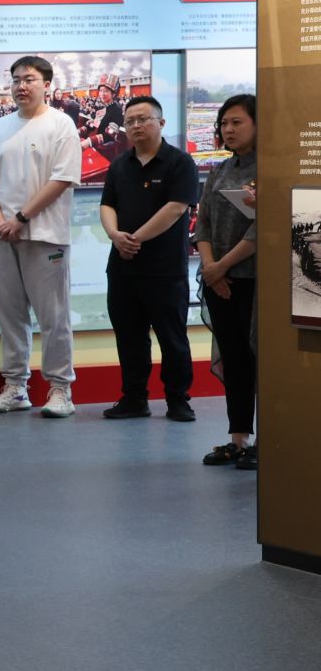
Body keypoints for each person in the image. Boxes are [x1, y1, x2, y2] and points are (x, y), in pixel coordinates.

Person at [0, 54, 81, 417]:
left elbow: (62, 179)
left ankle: (60, 390)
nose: (21, 86)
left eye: (29, 79)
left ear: (47, 85)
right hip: (1, 236)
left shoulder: (61, 124)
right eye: (16, 79)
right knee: (9, 314)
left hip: (45, 236)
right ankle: (16, 387)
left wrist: (20, 218)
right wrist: (0, 221)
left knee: (54, 317)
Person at [98, 96, 200, 422]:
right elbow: (107, 205)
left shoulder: (180, 163)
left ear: (161, 122)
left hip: (164, 269)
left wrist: (135, 239)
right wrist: (115, 235)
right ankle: (134, 398)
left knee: (172, 338)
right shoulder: (119, 165)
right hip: (122, 267)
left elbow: (176, 208)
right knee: (129, 337)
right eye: (130, 121)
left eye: (143, 119)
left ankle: (178, 400)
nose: (136, 126)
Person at [194, 94, 259, 470]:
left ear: (258, 124)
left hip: (256, 282)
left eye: (237, 122)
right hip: (220, 281)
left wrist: (223, 266)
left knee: (260, 359)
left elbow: (263, 228)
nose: (228, 129)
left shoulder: (271, 168)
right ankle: (238, 439)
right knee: (234, 360)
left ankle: (267, 441)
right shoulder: (219, 170)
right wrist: (211, 268)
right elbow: (203, 224)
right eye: (224, 123)